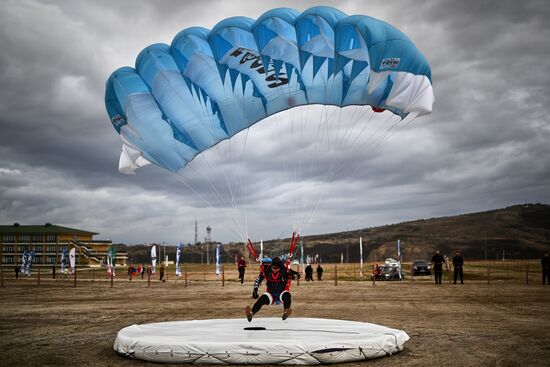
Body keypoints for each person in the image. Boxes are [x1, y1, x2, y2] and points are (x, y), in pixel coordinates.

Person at [245, 257, 300, 321]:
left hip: (282, 293)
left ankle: (286, 311)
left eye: (276, 268)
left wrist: (293, 277)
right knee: (262, 299)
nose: (274, 270)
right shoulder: (267, 271)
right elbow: (258, 280)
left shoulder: (285, 270)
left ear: (280, 267)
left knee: (287, 295)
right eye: (273, 268)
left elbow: (298, 275)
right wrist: (255, 290)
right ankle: (251, 313)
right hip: (270, 294)